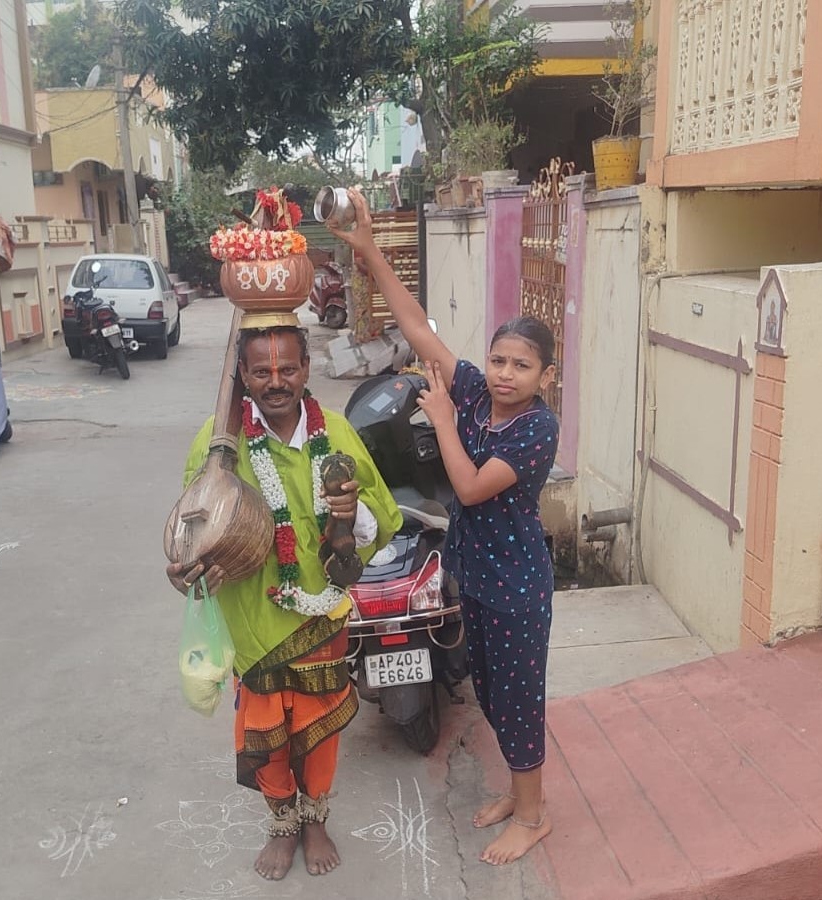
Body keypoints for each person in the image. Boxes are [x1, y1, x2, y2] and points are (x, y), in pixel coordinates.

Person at [329, 189, 559, 866]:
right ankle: (519, 796)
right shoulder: (475, 391)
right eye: (498, 361)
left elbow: (466, 485)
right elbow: (418, 328)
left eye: (521, 366)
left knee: (517, 699)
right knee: (486, 688)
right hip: (476, 575)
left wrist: (443, 424)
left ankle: (535, 814)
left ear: (544, 375)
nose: (505, 375)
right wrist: (369, 250)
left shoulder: (536, 429)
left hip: (516, 586)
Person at [166, 325, 402, 881]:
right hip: (252, 614)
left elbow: (382, 520)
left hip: (322, 614)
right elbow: (190, 524)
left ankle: (316, 819)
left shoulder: (337, 432)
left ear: (306, 370)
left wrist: (349, 512)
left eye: (288, 369)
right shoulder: (217, 442)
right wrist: (186, 567)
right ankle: (282, 824)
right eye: (262, 372)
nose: (276, 382)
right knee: (265, 730)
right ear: (243, 377)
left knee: (318, 727)